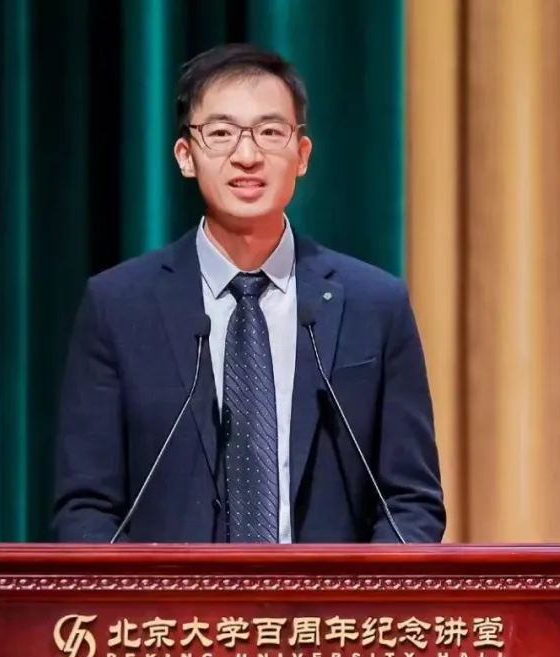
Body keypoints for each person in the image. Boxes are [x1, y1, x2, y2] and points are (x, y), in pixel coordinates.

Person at [52, 43, 445, 543]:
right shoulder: (118, 306)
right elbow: (86, 507)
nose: (247, 156)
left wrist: (356, 591)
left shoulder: (375, 304)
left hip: (328, 596)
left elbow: (410, 502)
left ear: (302, 155)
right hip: (169, 596)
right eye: (220, 133)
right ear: (185, 156)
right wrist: (148, 592)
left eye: (270, 132)